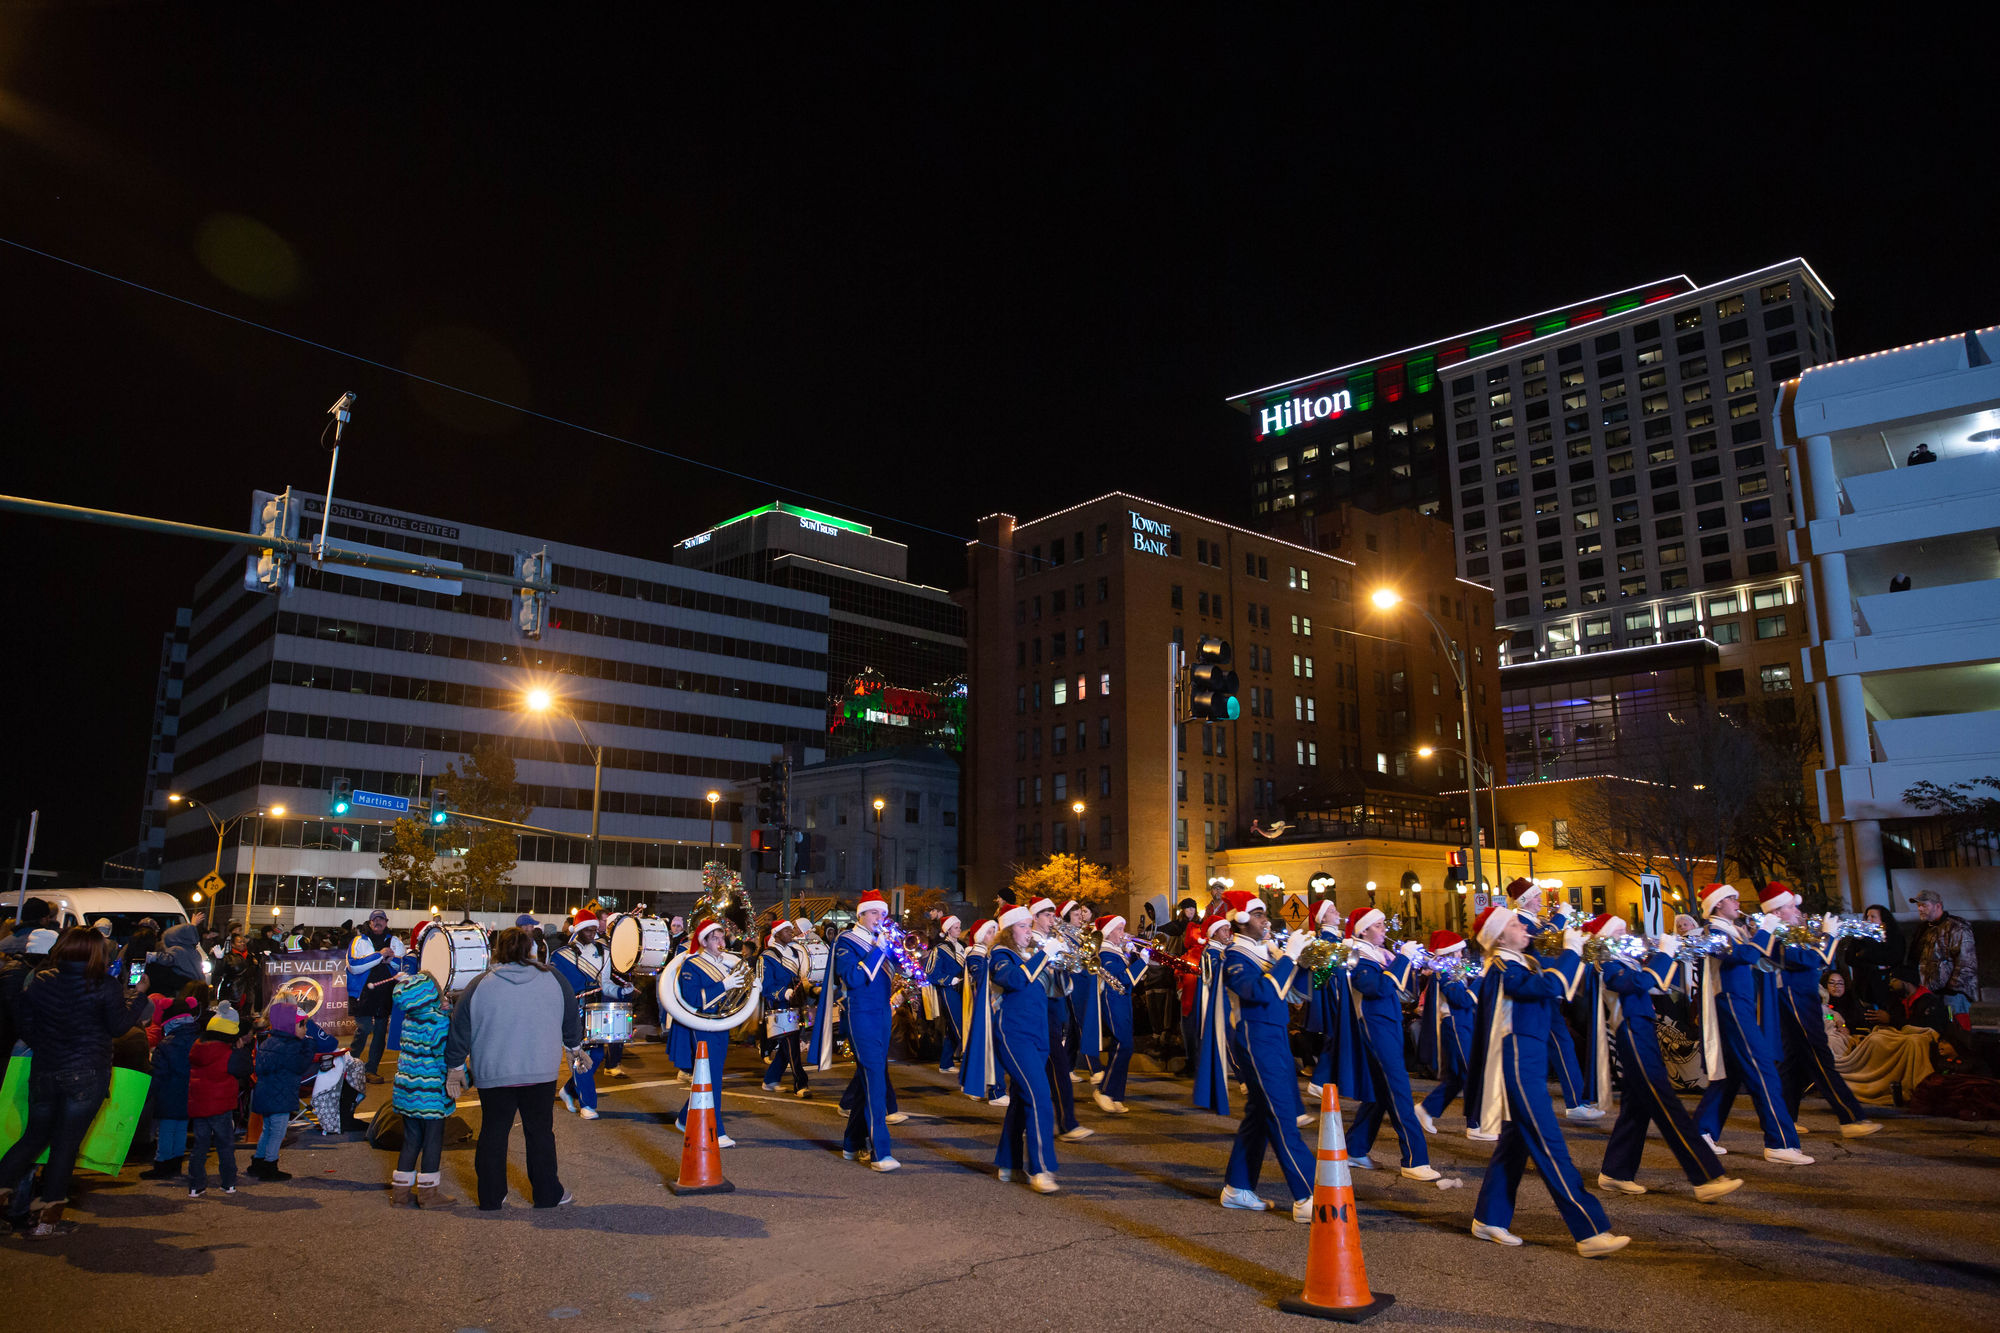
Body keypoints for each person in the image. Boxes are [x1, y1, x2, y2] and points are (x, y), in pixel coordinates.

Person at [1465, 905, 1630, 1257]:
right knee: (1550, 1145)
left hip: (1530, 1062)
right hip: (1518, 1065)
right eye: (1514, 924)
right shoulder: (1501, 967)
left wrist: (1578, 952)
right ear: (1499, 937)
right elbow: (1547, 986)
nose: (1524, 927)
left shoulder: (1522, 962)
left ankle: (1489, 1217)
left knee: (1515, 1144)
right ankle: (1590, 1231)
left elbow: (1556, 988)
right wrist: (1570, 951)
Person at [0, 927, 152, 1237]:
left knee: (33, 1138)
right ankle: (47, 1220)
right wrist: (139, 995)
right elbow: (119, 1027)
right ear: (97, 953)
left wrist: (46, 1047)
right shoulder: (104, 985)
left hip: (45, 1069)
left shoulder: (41, 981)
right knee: (65, 1144)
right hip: (87, 1073)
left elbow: (25, 1023)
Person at [1585, 914, 1742, 1202]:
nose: (1627, 934)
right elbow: (1639, 983)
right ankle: (1706, 1176)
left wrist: (1667, 955)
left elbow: (1656, 985)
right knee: (1666, 1104)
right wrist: (1664, 954)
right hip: (1631, 1031)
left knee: (1637, 1107)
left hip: (1642, 1029)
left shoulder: (1626, 960)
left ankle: (1616, 1171)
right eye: (1619, 931)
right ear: (1605, 937)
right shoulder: (1606, 963)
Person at [445, 926, 580, 1210]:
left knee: (493, 1133)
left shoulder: (480, 983)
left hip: (493, 1071)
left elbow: (460, 1025)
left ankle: (491, 1197)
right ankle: (547, 1194)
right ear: (531, 949)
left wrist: (455, 1065)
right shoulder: (553, 978)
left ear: (497, 951)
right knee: (540, 1133)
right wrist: (573, 1047)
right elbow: (570, 1015)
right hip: (539, 1070)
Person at [1691, 885, 1812, 1164]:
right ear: (1718, 905)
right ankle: (1779, 1143)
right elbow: (1742, 956)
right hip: (1732, 1004)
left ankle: (1701, 1132)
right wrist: (1766, 928)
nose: (1737, 902)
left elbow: (1758, 960)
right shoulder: (1714, 931)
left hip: (1741, 1004)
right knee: (1763, 1070)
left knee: (1730, 1074)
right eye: (1731, 898)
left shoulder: (1734, 930)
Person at [1216, 893, 1317, 1221]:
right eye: (1259, 914)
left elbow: (1296, 994)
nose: (1266, 920)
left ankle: (1238, 1187)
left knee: (1260, 1114)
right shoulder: (1235, 955)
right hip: (1255, 1037)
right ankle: (1308, 1194)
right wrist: (1289, 957)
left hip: (1275, 1036)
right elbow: (1259, 992)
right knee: (1280, 1115)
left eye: (1264, 914)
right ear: (1242, 920)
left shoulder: (1266, 951)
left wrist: (1303, 962)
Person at [1763, 886, 1882, 1138]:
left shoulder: (1790, 933)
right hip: (1796, 999)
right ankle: (1851, 1118)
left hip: (1801, 997)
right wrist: (1830, 936)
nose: (1798, 910)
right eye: (1791, 907)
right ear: (1776, 912)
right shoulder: (1776, 936)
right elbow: (1815, 959)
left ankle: (1785, 1121)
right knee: (1819, 1056)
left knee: (1793, 1062)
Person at [1345, 905, 1438, 1179]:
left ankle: (1354, 1148)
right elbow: (1378, 988)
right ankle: (1414, 1159)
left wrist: (1417, 966)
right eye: (1379, 925)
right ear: (1363, 930)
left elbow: (1404, 993)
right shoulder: (1357, 956)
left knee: (1379, 1092)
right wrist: (1403, 958)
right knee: (1399, 1091)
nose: (1384, 929)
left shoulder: (1379, 955)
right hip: (1374, 1028)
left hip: (1389, 1026)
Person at [812, 891, 900, 1171]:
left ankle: (852, 1142)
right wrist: (878, 949)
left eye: (883, 913)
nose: (879, 918)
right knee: (875, 1077)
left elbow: (903, 972)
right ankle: (880, 1151)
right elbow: (852, 977)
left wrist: (904, 956)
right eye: (874, 912)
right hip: (860, 1013)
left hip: (882, 1013)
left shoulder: (881, 940)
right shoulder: (846, 941)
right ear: (861, 915)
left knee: (868, 1077)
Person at [1510, 880, 1599, 1122]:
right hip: (1539, 991)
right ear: (1524, 900)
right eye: (1536, 896)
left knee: (1560, 1045)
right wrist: (1560, 918)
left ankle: (1576, 1101)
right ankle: (1575, 1102)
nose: (1540, 900)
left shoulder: (1536, 921)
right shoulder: (1520, 921)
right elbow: (1540, 941)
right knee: (1560, 1044)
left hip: (1548, 989)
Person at [988, 904, 1061, 1193]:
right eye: (1022, 926)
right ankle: (1041, 1169)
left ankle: (1008, 1163)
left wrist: (1059, 964)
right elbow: (1015, 980)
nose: (1029, 931)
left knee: (1021, 1098)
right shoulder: (1000, 955)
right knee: (1040, 1097)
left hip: (1038, 1035)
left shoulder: (1030, 957)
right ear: (1008, 931)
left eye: (1029, 926)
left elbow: (1057, 991)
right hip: (1014, 1035)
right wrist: (1044, 955)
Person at [669, 918, 743, 1148]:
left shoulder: (725, 964)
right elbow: (692, 998)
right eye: (715, 938)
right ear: (703, 942)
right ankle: (715, 1131)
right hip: (702, 1024)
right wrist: (724, 985)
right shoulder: (692, 964)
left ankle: (684, 1118)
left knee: (710, 1076)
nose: (721, 942)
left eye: (723, 938)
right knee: (711, 1077)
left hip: (720, 1024)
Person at [389, 970, 458, 1207]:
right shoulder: (438, 1022)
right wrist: (463, 1079)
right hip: (430, 1093)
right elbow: (442, 1057)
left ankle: (400, 1194)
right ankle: (428, 1194)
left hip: (406, 1090)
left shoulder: (410, 1017)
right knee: (432, 1140)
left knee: (411, 1139)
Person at [1027, 898, 1092, 1143]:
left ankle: (1030, 1121)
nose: (1052, 920)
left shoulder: (1054, 939)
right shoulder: (1030, 941)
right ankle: (1068, 1124)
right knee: (1057, 1066)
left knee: (1042, 1069)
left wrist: (1070, 957)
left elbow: (1069, 972)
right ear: (1035, 917)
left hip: (1054, 1007)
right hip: (1039, 1009)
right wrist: (1051, 953)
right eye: (1047, 915)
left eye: (1053, 915)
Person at [1415, 930, 1479, 1136]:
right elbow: (1461, 1000)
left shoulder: (1450, 970)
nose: (1461, 955)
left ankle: (1426, 1109)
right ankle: (1475, 1124)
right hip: (1455, 1025)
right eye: (1457, 951)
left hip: (1461, 1024)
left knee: (1457, 1077)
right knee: (1471, 1073)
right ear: (1448, 952)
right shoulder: (1444, 972)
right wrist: (1481, 980)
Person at [550, 910, 611, 1121]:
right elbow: (556, 986)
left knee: (597, 1055)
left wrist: (622, 991)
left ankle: (568, 1090)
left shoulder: (604, 952)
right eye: (588, 930)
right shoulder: (560, 955)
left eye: (595, 930)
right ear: (578, 930)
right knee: (580, 1056)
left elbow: (607, 983)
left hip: (597, 1007)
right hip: (574, 1009)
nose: (593, 934)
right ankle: (588, 1104)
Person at [140, 987, 206, 1181]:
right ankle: (175, 1163)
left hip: (168, 1095)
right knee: (181, 1129)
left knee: (166, 1130)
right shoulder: (197, 1041)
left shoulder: (165, 1045)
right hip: (190, 1094)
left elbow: (158, 1073)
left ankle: (162, 1164)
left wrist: (148, 1093)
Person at [248, 1002, 313, 1180]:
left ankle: (258, 1162)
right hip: (280, 1097)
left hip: (265, 1095)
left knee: (267, 1130)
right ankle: (270, 1166)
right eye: (302, 1025)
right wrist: (309, 1047)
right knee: (277, 1132)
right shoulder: (290, 1046)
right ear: (290, 1026)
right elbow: (300, 1066)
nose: (305, 1029)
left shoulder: (269, 1041)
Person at [184, 1004, 242, 1200]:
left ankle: (195, 1186)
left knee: (200, 1146)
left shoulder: (198, 1047)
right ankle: (228, 1183)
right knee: (225, 1145)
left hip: (199, 1105)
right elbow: (242, 1070)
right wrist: (240, 1050)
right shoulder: (227, 1052)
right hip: (221, 1106)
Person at [346, 909, 406, 1083]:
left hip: (385, 993)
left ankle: (371, 1070)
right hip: (362, 993)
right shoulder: (358, 941)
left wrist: (392, 960)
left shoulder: (395, 941)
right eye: (375, 920)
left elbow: (404, 966)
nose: (378, 922)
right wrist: (380, 955)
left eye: (381, 919)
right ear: (370, 922)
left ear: (386, 922)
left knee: (380, 1033)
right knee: (364, 1029)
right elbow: (354, 966)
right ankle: (349, 1067)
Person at [1907, 889, 1979, 1023]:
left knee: (1954, 1029)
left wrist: (1952, 990)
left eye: (1924, 905)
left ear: (1938, 906)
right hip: (1928, 993)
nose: (1920, 909)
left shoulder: (1957, 927)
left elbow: (1966, 962)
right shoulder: (1923, 929)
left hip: (1953, 995)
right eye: (1918, 905)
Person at [759, 920, 813, 1097]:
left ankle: (771, 1079)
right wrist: (785, 993)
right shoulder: (767, 956)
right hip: (780, 1006)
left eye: (791, 930)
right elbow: (765, 986)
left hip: (797, 1003)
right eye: (787, 930)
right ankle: (800, 1084)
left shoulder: (795, 952)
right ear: (777, 934)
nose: (792, 933)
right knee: (791, 1044)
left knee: (788, 1045)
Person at [1092, 915, 1138, 1114]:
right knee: (1122, 1044)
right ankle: (1104, 1091)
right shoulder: (1106, 953)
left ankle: (1116, 1094)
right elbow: (1122, 979)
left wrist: (1133, 956)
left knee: (1126, 1046)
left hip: (1122, 1000)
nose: (1123, 933)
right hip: (1112, 999)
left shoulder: (1117, 952)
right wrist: (1141, 961)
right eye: (1119, 929)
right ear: (1108, 932)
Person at [959, 919, 1005, 1103]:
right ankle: (996, 1091)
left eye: (994, 931)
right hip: (983, 1007)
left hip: (989, 1004)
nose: (993, 935)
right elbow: (980, 976)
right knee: (991, 1047)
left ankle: (972, 1085)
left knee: (982, 1047)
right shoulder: (976, 955)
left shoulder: (988, 953)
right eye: (989, 932)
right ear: (979, 935)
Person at [927, 916, 967, 1074]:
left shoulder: (963, 946)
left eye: (959, 927)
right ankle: (970, 1062)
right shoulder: (940, 948)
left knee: (953, 1026)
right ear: (948, 930)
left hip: (964, 989)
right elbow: (931, 973)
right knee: (959, 1025)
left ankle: (945, 1063)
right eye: (956, 927)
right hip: (949, 989)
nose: (959, 930)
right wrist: (950, 980)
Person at [1848, 904, 1905, 1014]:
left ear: (1883, 920)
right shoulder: (1860, 937)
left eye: (1873, 916)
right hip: (1864, 986)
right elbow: (1850, 958)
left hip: (1886, 986)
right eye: (1867, 916)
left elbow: (1894, 958)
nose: (1869, 919)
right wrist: (1872, 965)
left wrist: (1864, 955)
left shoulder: (1895, 937)